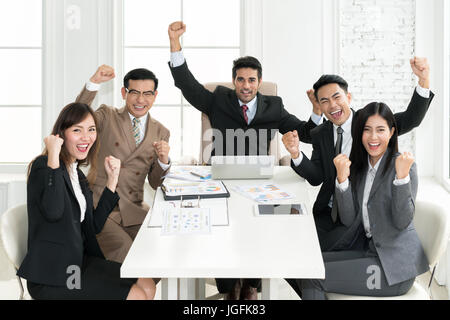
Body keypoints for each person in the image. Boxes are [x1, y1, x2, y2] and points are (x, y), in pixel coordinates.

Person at [167, 21, 323, 300]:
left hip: (259, 179)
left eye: (252, 80)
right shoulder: (218, 100)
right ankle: (229, 288)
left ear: (259, 82)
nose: (246, 85)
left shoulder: (273, 106)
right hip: (221, 177)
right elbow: (187, 85)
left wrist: (315, 111)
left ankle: (252, 284)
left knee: (261, 227)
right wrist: (175, 44)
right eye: (241, 79)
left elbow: (307, 133)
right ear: (234, 81)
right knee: (220, 227)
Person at [282, 57, 434, 252]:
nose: (333, 106)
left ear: (349, 97)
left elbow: (410, 119)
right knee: (291, 249)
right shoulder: (320, 133)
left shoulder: (368, 124)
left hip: (359, 216)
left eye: (337, 97)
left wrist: (423, 81)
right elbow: (316, 178)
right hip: (327, 212)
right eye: (325, 101)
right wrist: (296, 154)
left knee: (313, 259)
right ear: (319, 105)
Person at [287, 102, 429, 299]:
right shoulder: (359, 169)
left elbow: (402, 221)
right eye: (367, 130)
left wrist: (401, 179)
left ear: (391, 132)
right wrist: (342, 181)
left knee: (313, 276)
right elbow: (348, 219)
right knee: (298, 265)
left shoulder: (403, 167)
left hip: (393, 270)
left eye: (380, 130)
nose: (373, 137)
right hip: (367, 253)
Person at [18, 103, 156, 299]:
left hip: (79, 262)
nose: (86, 137)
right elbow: (54, 210)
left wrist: (111, 181)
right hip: (53, 274)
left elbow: (93, 227)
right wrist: (54, 158)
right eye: (77, 130)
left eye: (91, 129)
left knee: (147, 286)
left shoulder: (78, 174)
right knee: (136, 295)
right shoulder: (44, 167)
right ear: (61, 135)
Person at [75, 66, 171, 267]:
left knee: (159, 253)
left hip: (134, 209)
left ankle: (141, 295)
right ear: (123, 93)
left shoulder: (161, 131)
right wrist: (94, 82)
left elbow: (155, 183)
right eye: (134, 92)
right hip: (100, 206)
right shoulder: (107, 115)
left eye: (147, 94)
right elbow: (77, 117)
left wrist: (163, 161)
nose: (140, 100)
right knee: (125, 253)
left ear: (155, 96)